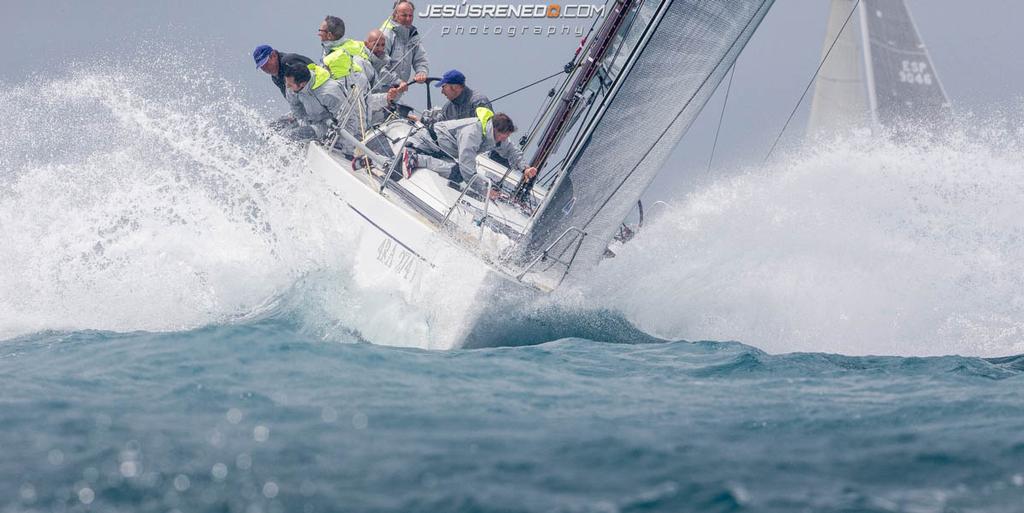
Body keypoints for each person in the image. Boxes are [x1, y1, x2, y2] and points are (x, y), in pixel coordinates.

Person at [403, 108, 538, 197]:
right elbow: (467, 167)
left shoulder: (493, 135)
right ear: (495, 130)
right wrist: (484, 191)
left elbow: (511, 150)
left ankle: (419, 159)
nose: (505, 139)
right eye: (504, 136)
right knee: (459, 173)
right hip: (427, 144)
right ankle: (415, 159)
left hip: (443, 151)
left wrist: (525, 168)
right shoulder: (472, 133)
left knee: (459, 173)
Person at [410, 69, 491, 125]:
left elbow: (487, 129)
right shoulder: (448, 107)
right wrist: (420, 120)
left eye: (443, 87)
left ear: (455, 87)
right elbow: (437, 126)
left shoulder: (479, 101)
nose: (442, 92)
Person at [380, 1, 429, 86]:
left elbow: (420, 59)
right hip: (380, 91)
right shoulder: (385, 34)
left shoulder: (413, 34)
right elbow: (380, 66)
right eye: (404, 15)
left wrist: (421, 72)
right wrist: (397, 82)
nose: (408, 19)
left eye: (410, 16)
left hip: (398, 91)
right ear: (395, 15)